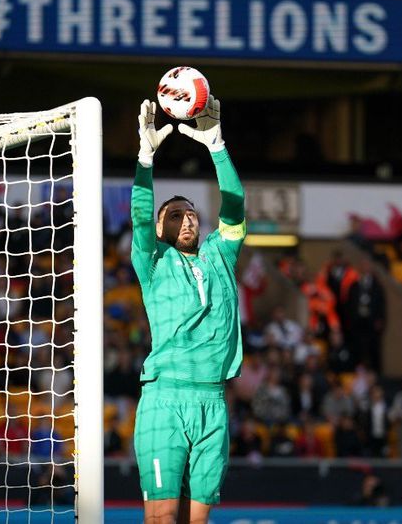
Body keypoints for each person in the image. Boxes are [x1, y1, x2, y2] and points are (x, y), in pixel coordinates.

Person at [131, 97, 246, 524]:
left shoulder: (221, 254)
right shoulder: (154, 261)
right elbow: (141, 216)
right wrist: (146, 160)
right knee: (161, 517)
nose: (186, 220)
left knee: (197, 522)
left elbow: (234, 206)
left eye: (191, 213)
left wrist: (216, 145)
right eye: (175, 215)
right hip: (166, 397)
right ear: (160, 230)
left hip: (213, 399)